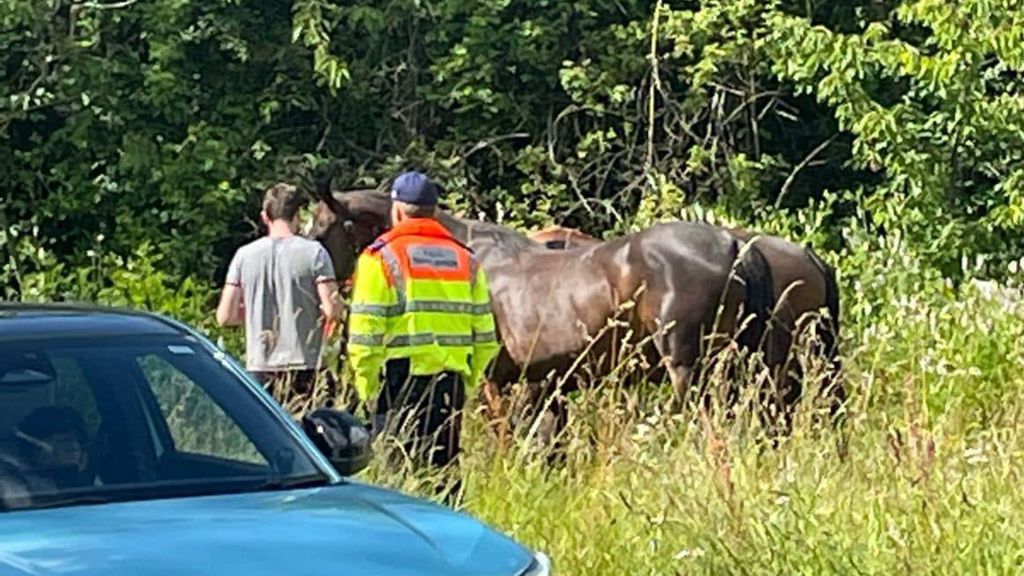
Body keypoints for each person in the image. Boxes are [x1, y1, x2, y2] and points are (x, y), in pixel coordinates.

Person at [347, 170, 499, 503]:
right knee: (446, 484)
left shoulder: (381, 257)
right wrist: (467, 382)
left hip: (399, 385)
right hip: (451, 385)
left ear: (397, 210)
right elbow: (487, 339)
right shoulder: (466, 258)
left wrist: (368, 389)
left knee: (399, 486)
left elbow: (365, 337)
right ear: (433, 211)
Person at [216, 182, 342, 405]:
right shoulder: (314, 253)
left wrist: (253, 312)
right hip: (305, 363)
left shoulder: (243, 256)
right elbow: (332, 309)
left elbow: (225, 316)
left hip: (260, 365)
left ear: (265, 216)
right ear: (299, 216)